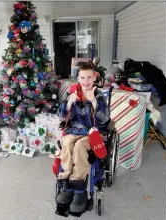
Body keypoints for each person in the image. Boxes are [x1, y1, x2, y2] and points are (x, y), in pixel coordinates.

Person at [57, 64, 110, 215]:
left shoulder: (98, 95)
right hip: (73, 130)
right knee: (66, 143)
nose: (86, 81)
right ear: (78, 79)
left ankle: (79, 190)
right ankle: (67, 183)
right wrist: (69, 103)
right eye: (82, 77)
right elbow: (61, 117)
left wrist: (94, 102)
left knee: (80, 146)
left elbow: (105, 120)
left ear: (94, 77)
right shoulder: (73, 93)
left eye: (89, 77)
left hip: (91, 133)